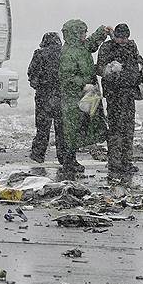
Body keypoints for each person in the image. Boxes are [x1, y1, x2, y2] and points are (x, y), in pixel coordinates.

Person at [58, 19, 110, 174]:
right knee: (73, 129)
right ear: (75, 33)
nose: (85, 35)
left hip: (89, 94)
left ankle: (72, 158)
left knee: (91, 123)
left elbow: (92, 43)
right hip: (74, 97)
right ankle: (69, 161)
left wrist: (102, 32)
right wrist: (83, 84)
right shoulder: (68, 53)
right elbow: (67, 77)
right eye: (82, 32)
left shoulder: (81, 46)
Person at [96, 23, 143, 177]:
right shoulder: (107, 48)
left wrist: (137, 68)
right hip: (114, 95)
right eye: (120, 38)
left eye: (125, 38)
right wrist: (110, 70)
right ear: (115, 36)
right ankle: (115, 162)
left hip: (129, 94)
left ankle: (126, 161)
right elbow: (99, 68)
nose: (122, 41)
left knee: (128, 129)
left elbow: (140, 61)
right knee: (116, 129)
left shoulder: (131, 46)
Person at [27, 32, 63, 163]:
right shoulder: (64, 54)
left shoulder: (39, 54)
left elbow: (32, 74)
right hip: (60, 96)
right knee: (61, 129)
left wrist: (39, 86)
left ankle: (38, 154)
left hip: (44, 96)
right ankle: (63, 157)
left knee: (42, 128)